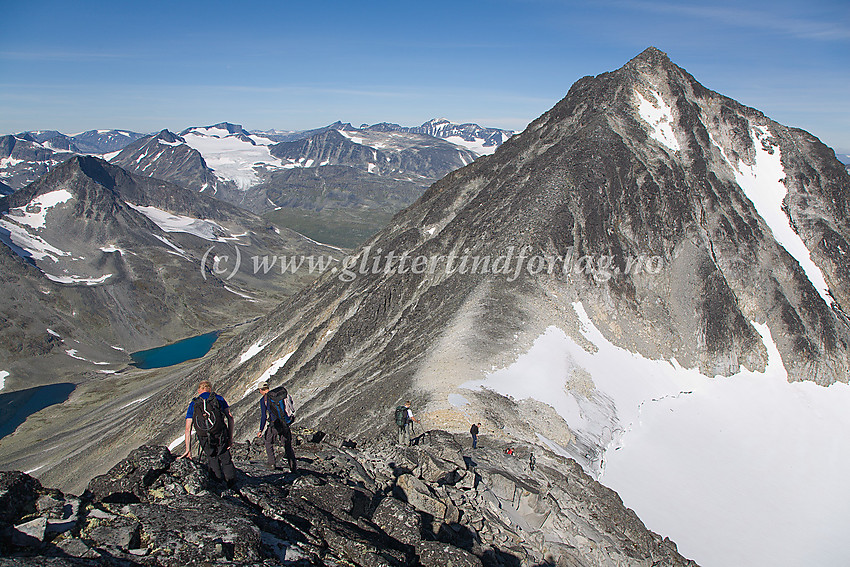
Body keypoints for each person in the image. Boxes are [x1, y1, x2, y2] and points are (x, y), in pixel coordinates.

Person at [180, 380, 236, 486]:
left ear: (199, 390)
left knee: (212, 457)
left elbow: (188, 429)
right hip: (220, 433)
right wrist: (230, 437)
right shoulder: (218, 399)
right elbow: (230, 417)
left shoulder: (194, 403)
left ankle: (218, 483)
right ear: (210, 389)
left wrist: (188, 450)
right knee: (225, 456)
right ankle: (232, 483)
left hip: (204, 436)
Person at [257, 382, 297, 472]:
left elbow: (264, 416)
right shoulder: (279, 396)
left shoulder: (264, 400)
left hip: (274, 424)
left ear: (261, 390)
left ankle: (272, 463)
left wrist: (261, 430)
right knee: (287, 445)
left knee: (268, 442)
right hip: (284, 423)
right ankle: (293, 466)